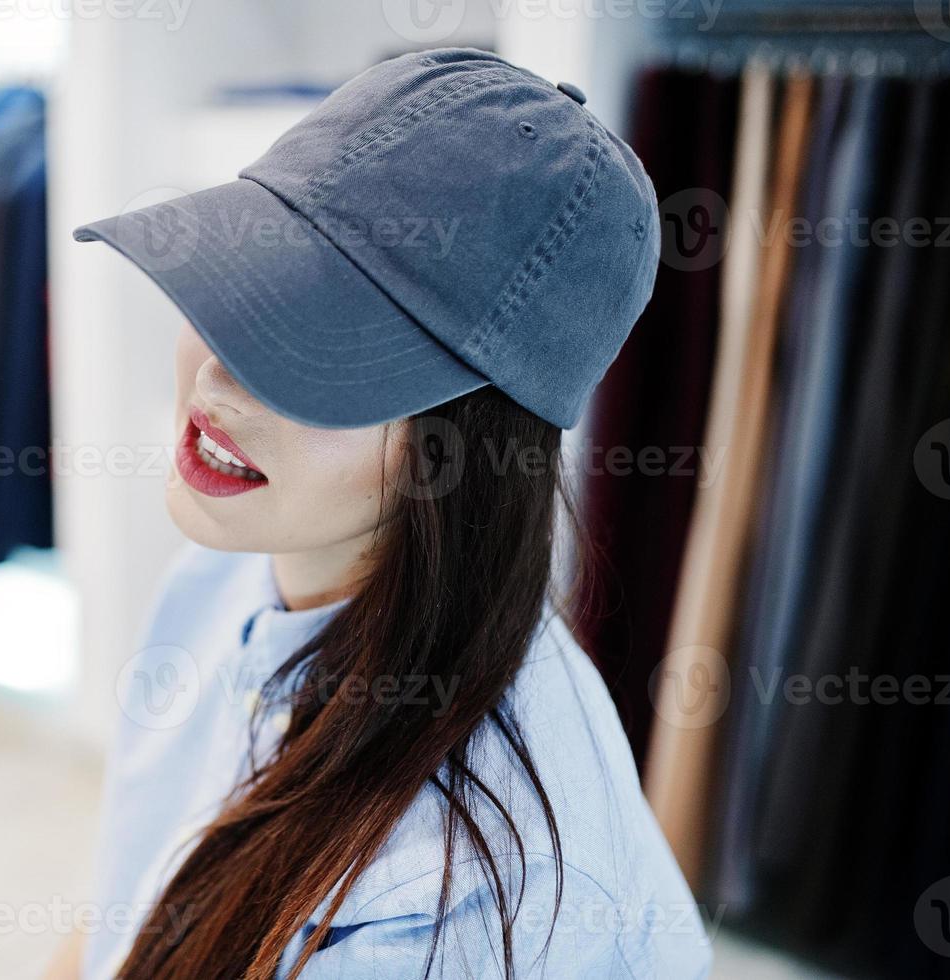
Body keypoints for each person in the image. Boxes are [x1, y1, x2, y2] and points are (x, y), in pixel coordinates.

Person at [55, 48, 711, 979]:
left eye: (314, 353)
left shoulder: (472, 899)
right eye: (238, 282)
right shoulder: (228, 572)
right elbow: (130, 899)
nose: (217, 377)